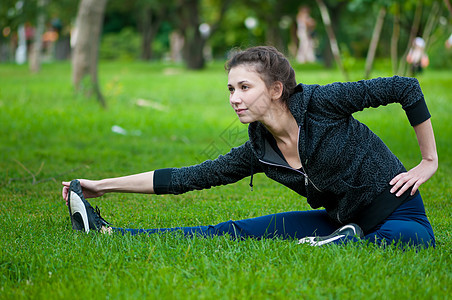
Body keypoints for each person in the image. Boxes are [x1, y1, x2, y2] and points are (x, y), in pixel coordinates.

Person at [62, 46, 438, 248]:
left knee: (410, 241)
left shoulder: (323, 103)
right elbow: (188, 177)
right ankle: (110, 234)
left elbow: (405, 87)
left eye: (244, 88)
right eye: (230, 89)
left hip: (398, 214)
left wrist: (428, 160)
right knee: (232, 230)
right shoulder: (258, 150)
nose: (234, 99)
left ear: (276, 90)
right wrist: (102, 185)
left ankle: (341, 242)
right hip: (338, 220)